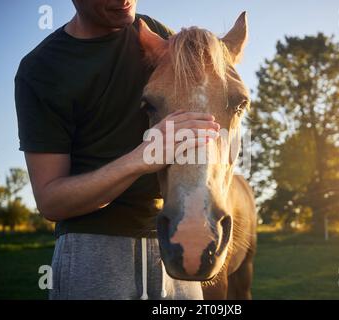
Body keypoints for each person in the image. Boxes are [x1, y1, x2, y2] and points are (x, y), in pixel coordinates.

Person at [14, 0, 220, 299]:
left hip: (172, 240)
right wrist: (142, 158)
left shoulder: (158, 36)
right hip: (93, 251)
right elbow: (51, 201)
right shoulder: (42, 69)